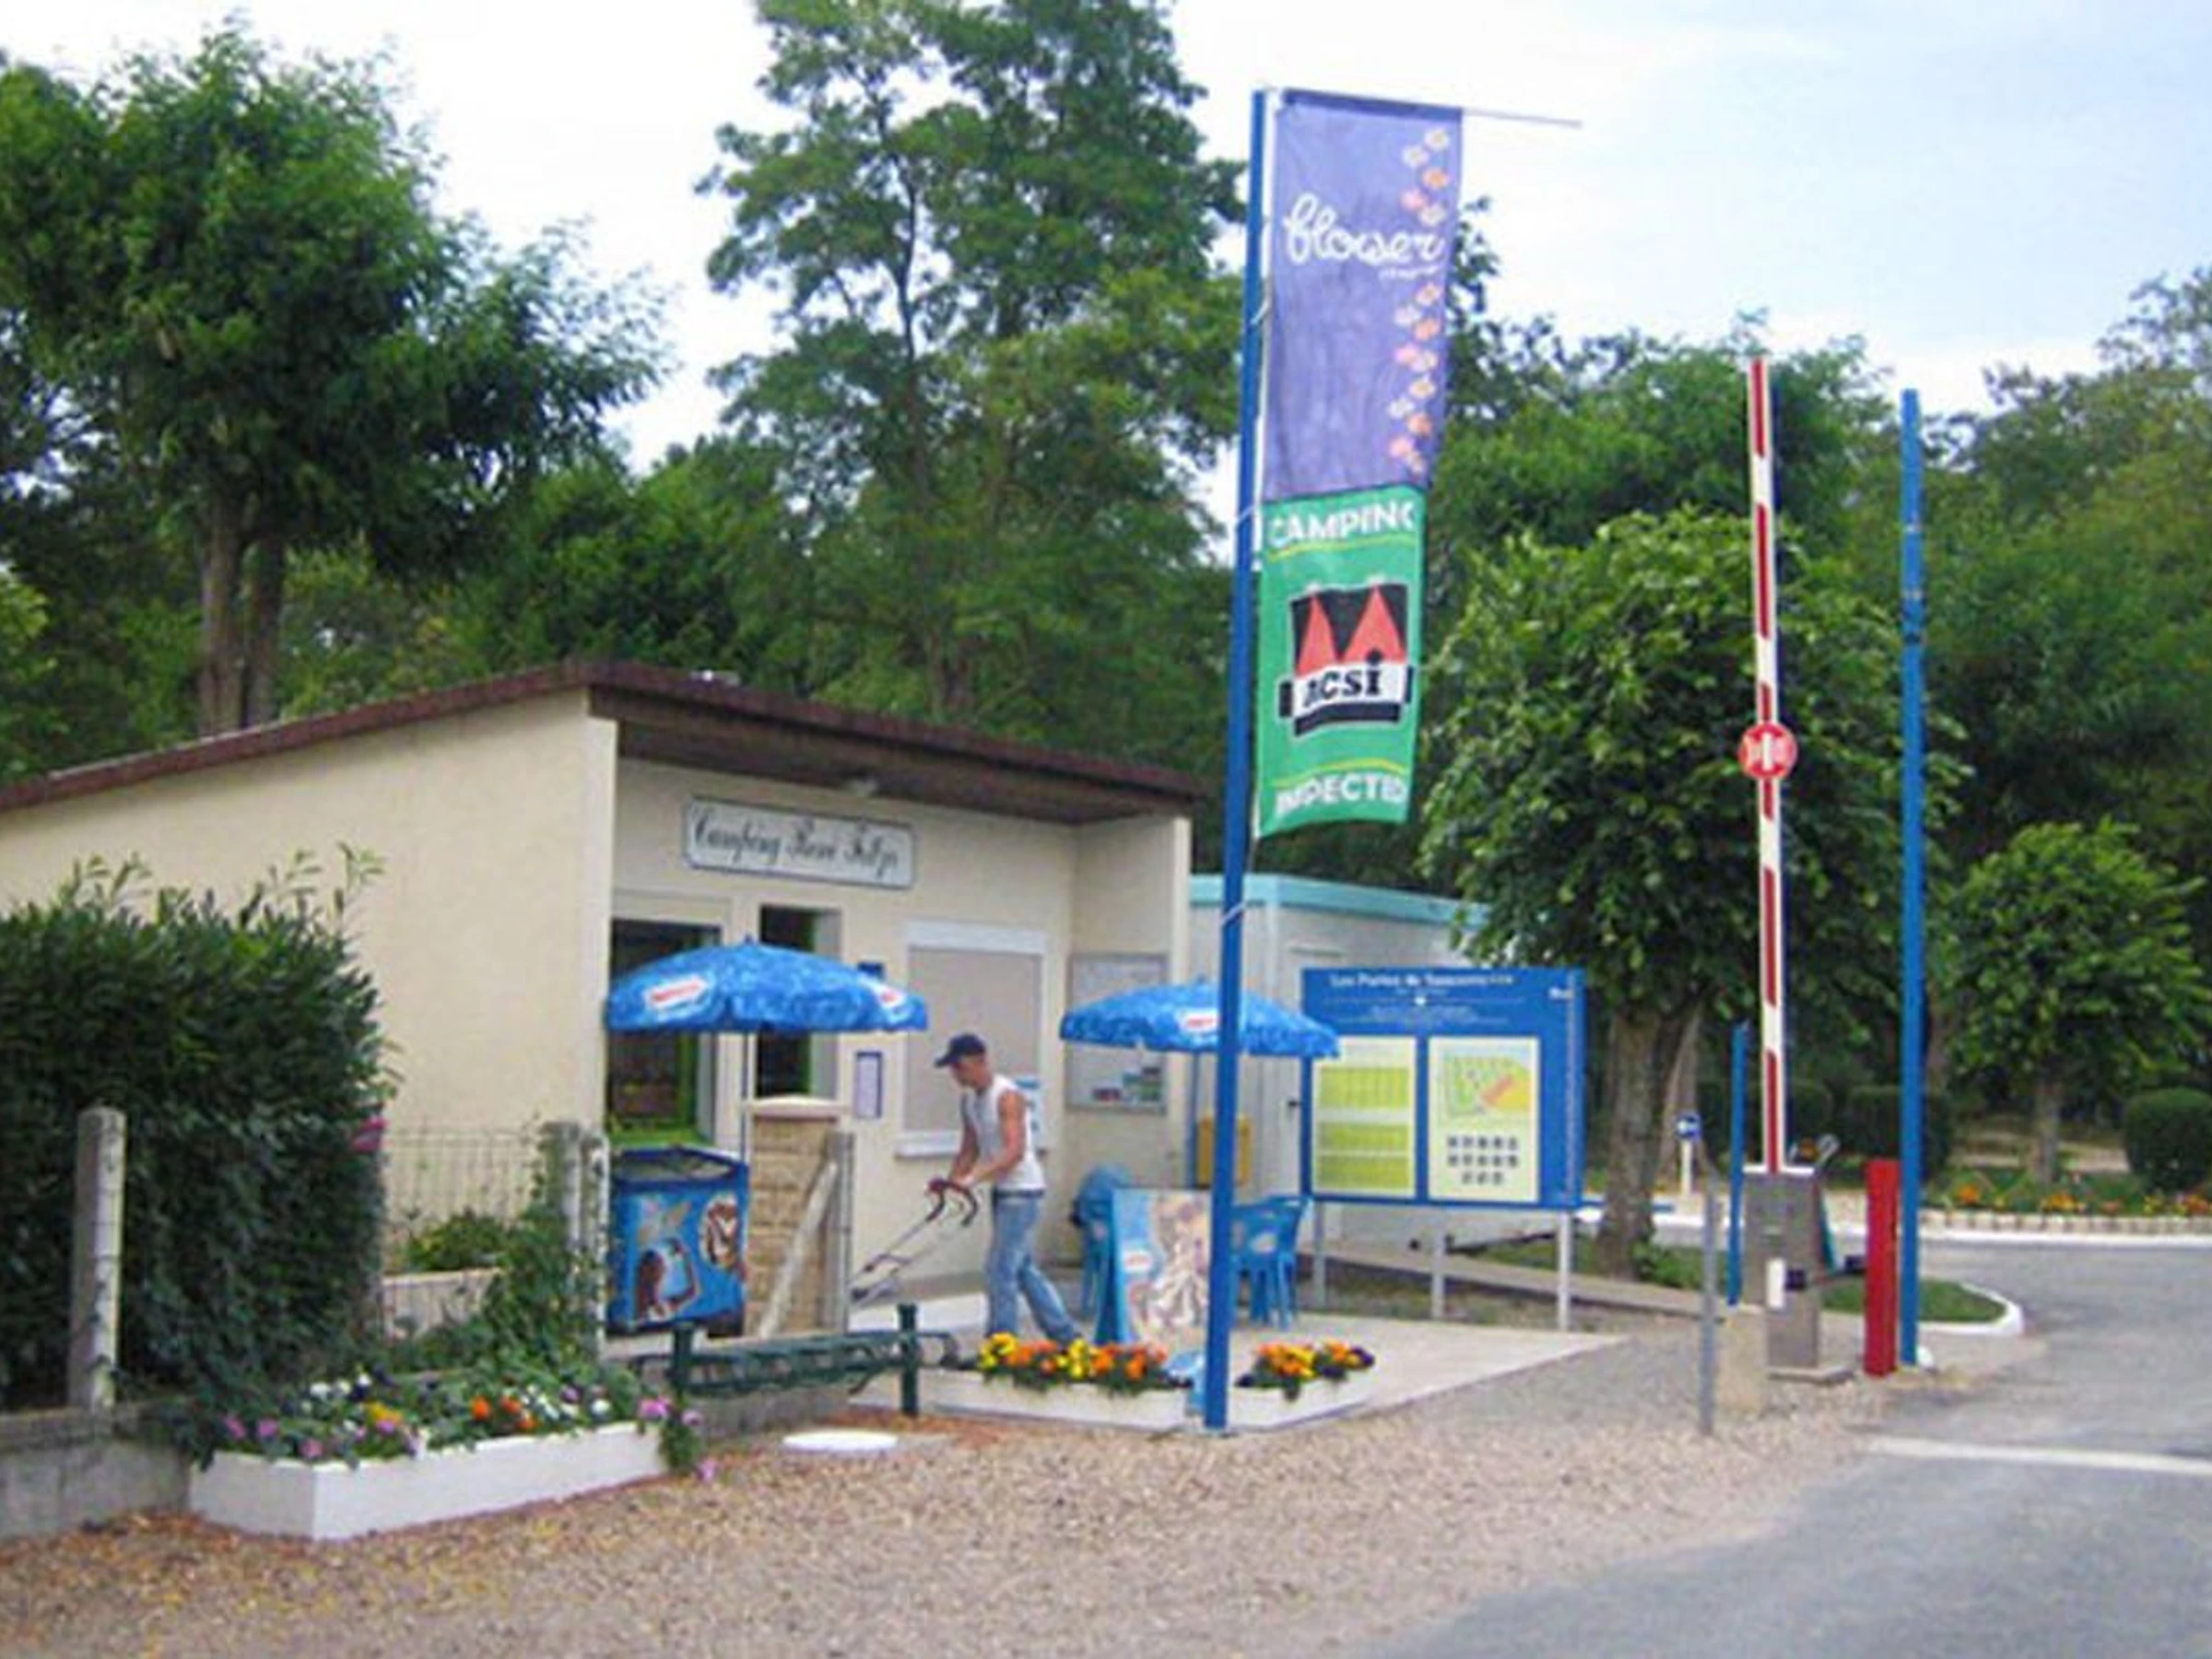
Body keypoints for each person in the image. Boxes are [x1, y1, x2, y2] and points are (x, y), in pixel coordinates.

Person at [934, 1031, 1081, 1345]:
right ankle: (1065, 1334)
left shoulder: (1007, 1096)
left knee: (1000, 1268)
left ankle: (1002, 1340)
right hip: (1002, 1191)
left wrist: (974, 1178)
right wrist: (952, 1181)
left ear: (980, 1062)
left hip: (1023, 1191)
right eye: (953, 1069)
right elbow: (970, 1148)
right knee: (1023, 1268)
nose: (957, 1075)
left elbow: (1014, 1151)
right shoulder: (969, 1101)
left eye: (960, 1067)